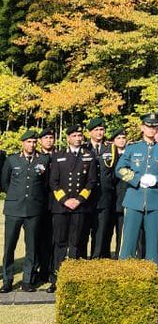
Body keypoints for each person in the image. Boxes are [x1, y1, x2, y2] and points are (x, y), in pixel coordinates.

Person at [117, 113, 158, 265]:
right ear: (142, 128)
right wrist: (137, 179)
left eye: (154, 127)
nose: (151, 130)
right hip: (133, 200)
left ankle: (152, 277)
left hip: (154, 201)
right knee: (128, 243)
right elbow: (119, 169)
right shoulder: (132, 147)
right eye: (148, 126)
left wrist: (157, 179)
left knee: (153, 243)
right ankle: (125, 276)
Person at [49, 123, 97, 290]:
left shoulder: (88, 155)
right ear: (68, 138)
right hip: (61, 207)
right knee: (60, 243)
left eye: (80, 136)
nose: (78, 138)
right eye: (74, 136)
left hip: (80, 207)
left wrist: (78, 200)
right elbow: (53, 182)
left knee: (76, 242)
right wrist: (65, 200)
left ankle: (75, 280)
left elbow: (92, 181)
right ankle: (57, 278)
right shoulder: (58, 155)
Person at [1, 131, 50, 293]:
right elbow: (5, 182)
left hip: (34, 209)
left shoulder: (43, 160)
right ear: (23, 143)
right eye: (29, 141)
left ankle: (27, 281)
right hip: (14, 209)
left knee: (32, 246)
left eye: (34, 142)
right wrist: (16, 196)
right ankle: (7, 280)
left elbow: (45, 183)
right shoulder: (12, 159)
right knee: (9, 247)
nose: (32, 144)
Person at [86, 117, 117, 259]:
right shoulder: (84, 148)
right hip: (86, 196)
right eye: (96, 130)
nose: (100, 132)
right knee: (83, 232)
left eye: (102, 129)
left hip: (105, 196)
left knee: (101, 231)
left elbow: (116, 171)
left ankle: (96, 259)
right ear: (90, 132)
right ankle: (80, 260)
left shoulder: (111, 148)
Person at [33, 125, 56, 285]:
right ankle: (38, 269)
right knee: (38, 238)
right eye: (46, 138)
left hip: (55, 202)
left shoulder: (59, 155)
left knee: (54, 237)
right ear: (40, 141)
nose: (49, 140)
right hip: (38, 203)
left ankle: (52, 269)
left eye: (51, 138)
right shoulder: (35, 157)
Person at [110, 127, 128, 254]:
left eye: (123, 138)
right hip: (109, 200)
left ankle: (119, 256)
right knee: (105, 233)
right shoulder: (110, 155)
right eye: (118, 138)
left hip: (125, 199)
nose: (122, 141)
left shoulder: (130, 155)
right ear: (113, 141)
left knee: (123, 233)